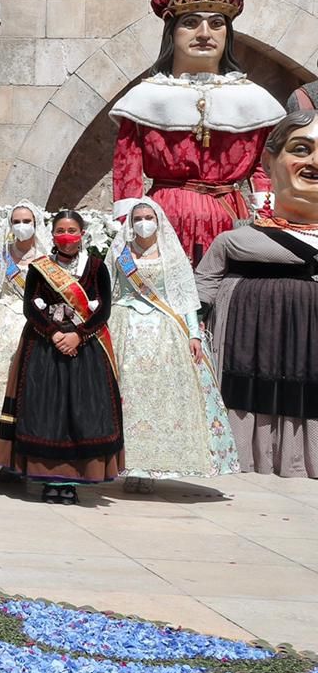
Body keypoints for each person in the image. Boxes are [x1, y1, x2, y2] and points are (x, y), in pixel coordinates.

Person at [110, 0, 282, 264]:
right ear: (171, 32)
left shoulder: (253, 100)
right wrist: (130, 226)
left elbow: (265, 170)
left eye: (216, 24)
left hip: (231, 219)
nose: (205, 34)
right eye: (190, 23)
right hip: (164, 218)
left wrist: (267, 222)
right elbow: (126, 171)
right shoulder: (145, 98)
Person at [197, 111, 318, 478]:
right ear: (270, 161)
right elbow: (202, 289)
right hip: (247, 343)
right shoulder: (233, 240)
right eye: (302, 148)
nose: (316, 162)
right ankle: (240, 452)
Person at [0, 210, 124, 503]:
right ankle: (47, 477)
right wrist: (54, 334)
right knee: (45, 410)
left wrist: (78, 334)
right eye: (61, 230)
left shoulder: (95, 267)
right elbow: (30, 307)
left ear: (82, 234)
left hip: (85, 348)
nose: (67, 237)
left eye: (72, 230)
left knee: (80, 411)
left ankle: (72, 480)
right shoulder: (40, 268)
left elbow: (103, 309)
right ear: (52, 235)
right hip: (43, 346)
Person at [108, 197, 237, 488]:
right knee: (127, 397)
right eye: (137, 217)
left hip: (165, 329)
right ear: (130, 223)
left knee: (162, 398)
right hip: (125, 325)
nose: (143, 223)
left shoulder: (171, 253)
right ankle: (128, 463)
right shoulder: (121, 252)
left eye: (148, 217)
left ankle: (155, 465)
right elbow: (109, 288)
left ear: (158, 220)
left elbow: (186, 296)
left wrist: (194, 333)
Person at [0, 202, 49, 457]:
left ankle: (22, 447)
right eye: (16, 222)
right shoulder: (2, 255)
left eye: (27, 221)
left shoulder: (47, 256)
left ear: (36, 225)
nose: (21, 226)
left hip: (33, 321)